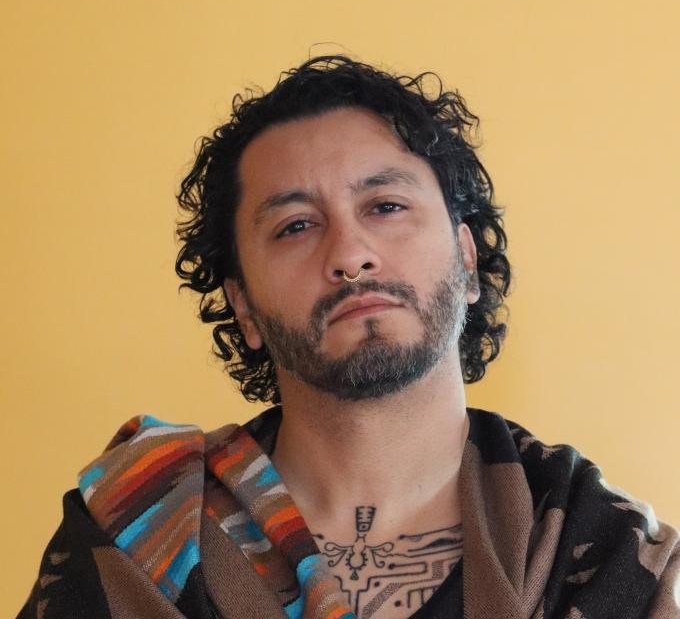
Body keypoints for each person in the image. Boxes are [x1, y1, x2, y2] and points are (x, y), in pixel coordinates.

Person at [19, 55, 680, 619]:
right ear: (242, 305)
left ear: (467, 260)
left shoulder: (615, 555)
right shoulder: (126, 532)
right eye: (295, 226)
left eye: (385, 207)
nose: (351, 252)